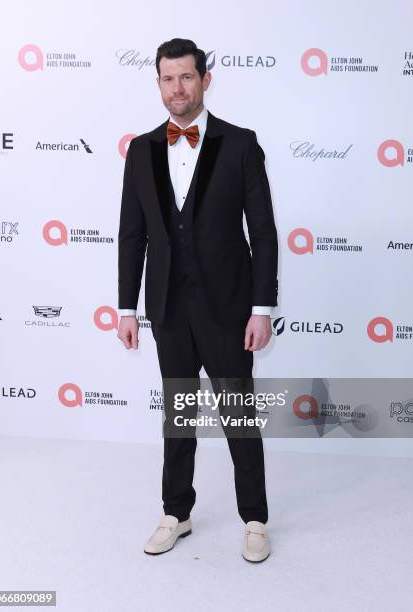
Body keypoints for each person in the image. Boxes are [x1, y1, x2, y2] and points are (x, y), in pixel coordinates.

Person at [117, 38, 278, 563]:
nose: (177, 89)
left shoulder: (240, 144)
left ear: (205, 80)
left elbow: (264, 233)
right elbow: (132, 234)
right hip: (167, 308)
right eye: (168, 79)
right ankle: (176, 513)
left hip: (230, 309)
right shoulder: (141, 150)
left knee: (238, 415)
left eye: (186, 77)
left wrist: (262, 309)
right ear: (158, 83)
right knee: (178, 416)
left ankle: (254, 518)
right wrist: (126, 308)